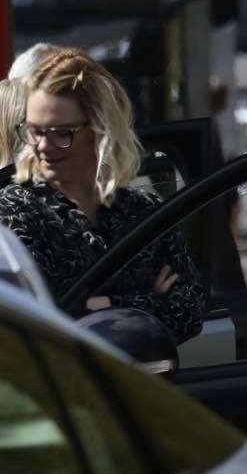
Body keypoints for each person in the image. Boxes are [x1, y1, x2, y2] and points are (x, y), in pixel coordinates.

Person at [0, 49, 206, 343]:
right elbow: (41, 323)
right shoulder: (14, 211)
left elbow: (190, 310)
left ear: (99, 130)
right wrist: (147, 300)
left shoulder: (144, 210)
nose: (42, 147)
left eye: (61, 133)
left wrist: (105, 306)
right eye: (34, 131)